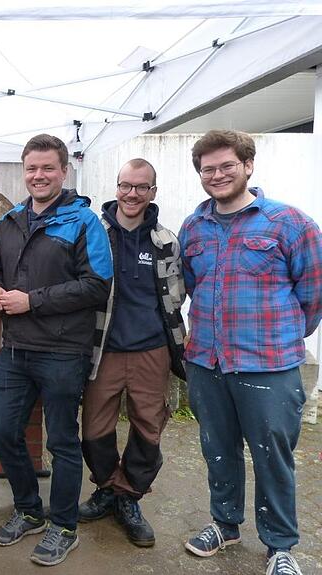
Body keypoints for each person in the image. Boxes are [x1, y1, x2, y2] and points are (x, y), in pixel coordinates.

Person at [179, 130, 322, 575]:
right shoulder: (194, 226)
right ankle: (225, 524)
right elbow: (188, 282)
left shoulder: (290, 223)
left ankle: (280, 545)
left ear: (248, 165)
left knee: (271, 456)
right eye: (208, 169)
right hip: (206, 360)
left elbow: (313, 293)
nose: (217, 175)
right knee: (217, 448)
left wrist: (280, 336)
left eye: (226, 166)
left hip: (270, 365)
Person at [0, 133, 112, 566]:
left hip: (62, 352)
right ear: (24, 171)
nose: (39, 175)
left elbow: (97, 286)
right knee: (3, 432)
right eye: (32, 168)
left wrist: (31, 300)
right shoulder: (11, 219)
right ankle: (29, 509)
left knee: (62, 442)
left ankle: (64, 526)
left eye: (47, 168)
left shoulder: (84, 222)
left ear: (63, 171)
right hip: (14, 349)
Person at [78, 158, 186, 547]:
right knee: (94, 429)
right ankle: (107, 486)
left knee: (148, 428)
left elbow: (177, 294)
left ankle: (129, 497)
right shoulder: (92, 233)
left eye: (142, 187)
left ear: (153, 192)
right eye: (126, 185)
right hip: (101, 347)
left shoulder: (167, 241)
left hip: (151, 349)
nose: (132, 194)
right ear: (116, 187)